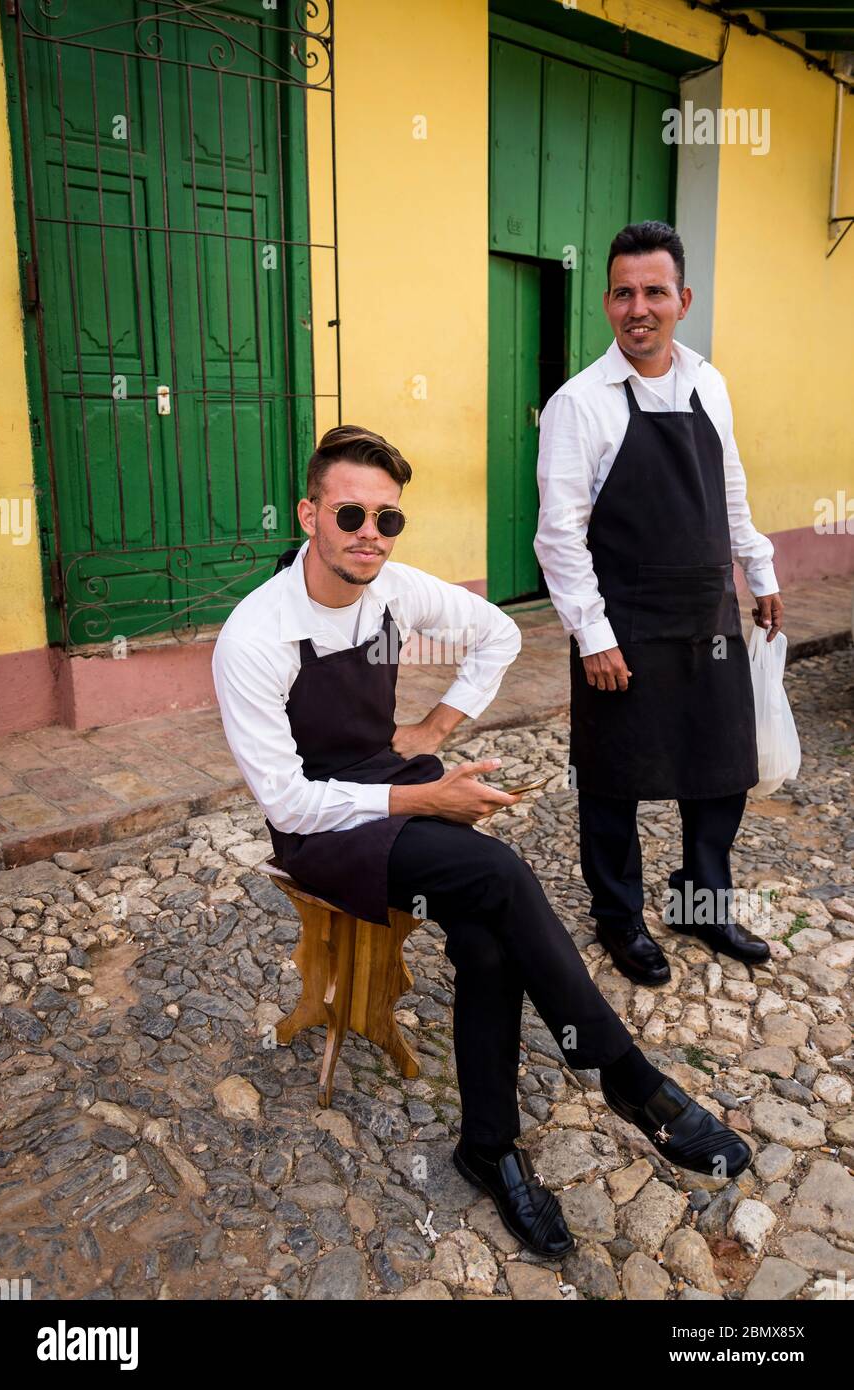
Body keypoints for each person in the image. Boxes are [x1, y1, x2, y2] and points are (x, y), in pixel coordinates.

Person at [213, 422, 752, 1257]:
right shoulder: (255, 635)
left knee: (489, 944)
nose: (370, 536)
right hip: (319, 828)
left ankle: (489, 1148)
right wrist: (425, 793)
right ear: (308, 514)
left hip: (385, 777)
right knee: (496, 872)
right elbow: (286, 798)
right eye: (350, 515)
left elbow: (497, 633)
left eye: (387, 519)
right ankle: (629, 1081)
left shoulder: (390, 590)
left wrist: (438, 722)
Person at [535, 220, 783, 989]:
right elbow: (557, 535)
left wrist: (759, 567)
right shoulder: (579, 403)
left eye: (653, 292)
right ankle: (618, 919)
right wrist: (592, 635)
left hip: (707, 613)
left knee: (719, 771)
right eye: (621, 293)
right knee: (611, 779)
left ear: (682, 298)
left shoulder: (709, 381)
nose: (636, 307)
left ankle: (700, 906)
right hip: (625, 623)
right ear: (607, 302)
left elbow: (729, 486)